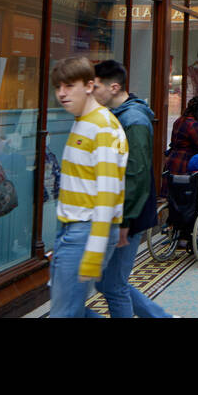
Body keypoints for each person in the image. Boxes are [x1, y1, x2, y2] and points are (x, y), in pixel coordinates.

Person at [90, 60, 170, 318]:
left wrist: (125, 220)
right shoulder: (117, 116)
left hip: (127, 214)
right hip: (118, 212)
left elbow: (135, 174)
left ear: (114, 87)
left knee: (113, 285)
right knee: (108, 282)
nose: (92, 91)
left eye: (97, 86)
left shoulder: (133, 120)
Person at [49, 56, 128, 318]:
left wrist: (93, 251)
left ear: (89, 85)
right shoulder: (83, 120)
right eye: (58, 87)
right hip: (72, 230)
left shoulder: (102, 126)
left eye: (69, 86)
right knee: (71, 311)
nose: (62, 93)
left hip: (86, 231)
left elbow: (108, 192)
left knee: (65, 313)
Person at [165, 95, 198, 180]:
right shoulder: (194, 125)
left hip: (172, 162)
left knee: (171, 190)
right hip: (185, 164)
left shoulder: (179, 121)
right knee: (184, 190)